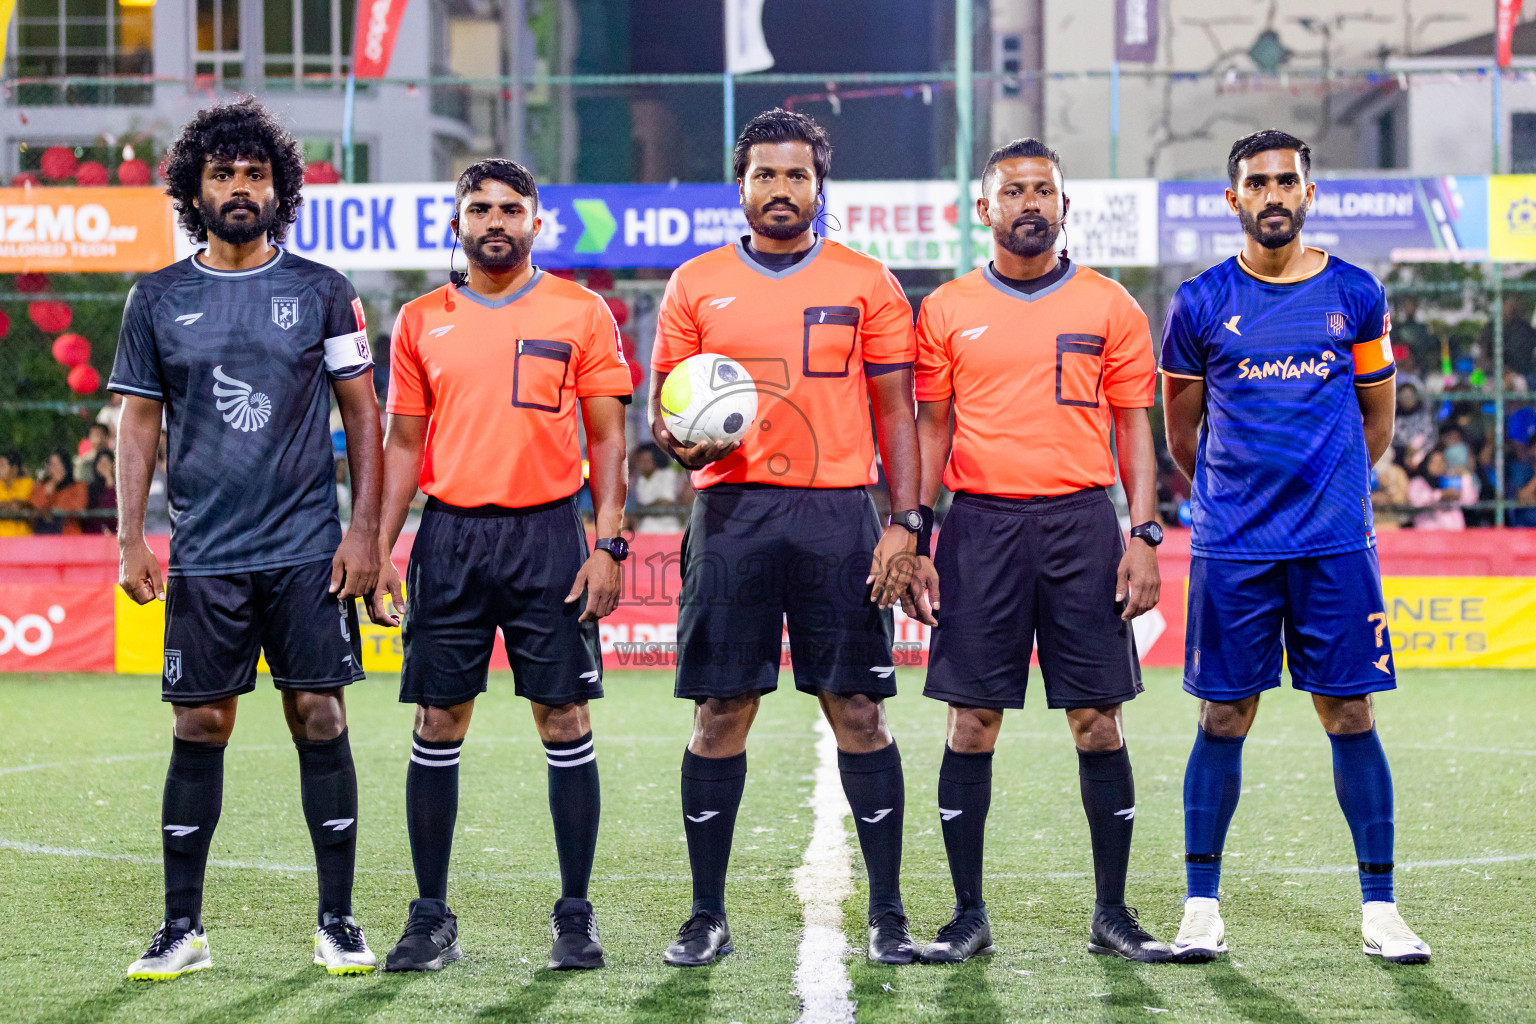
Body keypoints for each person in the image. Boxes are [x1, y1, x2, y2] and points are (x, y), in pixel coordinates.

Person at [110, 97, 384, 981]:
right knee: (200, 722)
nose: (240, 187)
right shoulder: (156, 297)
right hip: (206, 555)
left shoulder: (322, 289)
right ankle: (180, 928)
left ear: (280, 187)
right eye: (223, 174)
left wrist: (366, 536)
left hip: (309, 551)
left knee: (320, 714)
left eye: (255, 174)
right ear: (196, 188)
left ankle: (337, 922)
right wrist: (130, 540)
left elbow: (364, 418)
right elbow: (138, 424)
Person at [648, 108, 923, 967]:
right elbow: (668, 412)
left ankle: (887, 912)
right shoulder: (695, 284)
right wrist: (680, 440)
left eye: (796, 175)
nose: (780, 189)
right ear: (741, 186)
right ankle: (705, 914)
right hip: (731, 514)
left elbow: (897, 417)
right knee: (721, 709)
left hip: (840, 515)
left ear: (818, 186)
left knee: (861, 711)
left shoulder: (867, 281)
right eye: (765, 175)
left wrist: (907, 523)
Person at [1160, 129, 1430, 965]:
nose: (1273, 194)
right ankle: (1201, 903)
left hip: (1333, 544)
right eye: (1256, 183)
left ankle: (1380, 908)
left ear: (1309, 194)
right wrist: (1235, 498)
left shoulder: (1358, 292)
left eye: (1287, 181)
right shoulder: (1201, 301)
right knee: (1224, 715)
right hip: (1234, 545)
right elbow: (1182, 434)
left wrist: (1334, 487)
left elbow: (1376, 419)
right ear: (1233, 198)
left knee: (1350, 711)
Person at [906, 138, 1171, 965]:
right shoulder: (946, 308)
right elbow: (931, 426)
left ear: (1064, 206)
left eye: (1043, 191)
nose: (1029, 203)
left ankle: (1112, 914)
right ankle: (967, 915)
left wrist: (1145, 532)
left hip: (1082, 527)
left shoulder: (1111, 306)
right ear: (983, 210)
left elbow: (1135, 424)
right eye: (1012, 191)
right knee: (973, 721)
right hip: (980, 526)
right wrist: (915, 530)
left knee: (1098, 720)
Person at [373, 159, 632, 973]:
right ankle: (428, 917)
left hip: (548, 536)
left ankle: (576, 916)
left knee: (563, 720)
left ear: (536, 223)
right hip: (449, 539)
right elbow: (404, 444)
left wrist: (610, 541)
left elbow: (608, 439)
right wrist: (380, 549)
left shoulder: (581, 312)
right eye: (479, 207)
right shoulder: (420, 320)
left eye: (511, 209)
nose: (495, 220)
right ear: (456, 222)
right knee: (438, 721)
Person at [1407, 447, 1476, 530]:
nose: (1438, 466)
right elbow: (1416, 501)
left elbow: (1469, 500)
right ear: (1427, 464)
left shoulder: (1451, 480)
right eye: (1434, 462)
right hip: (1427, 532)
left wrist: (1465, 478)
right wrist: (1440, 494)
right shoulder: (1418, 482)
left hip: (1453, 531)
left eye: (1441, 462)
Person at [630, 442, 688, 532]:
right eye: (641, 461)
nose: (643, 465)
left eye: (647, 461)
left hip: (667, 526)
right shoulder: (639, 480)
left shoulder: (667, 475)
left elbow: (666, 502)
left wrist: (643, 508)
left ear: (656, 460)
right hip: (645, 526)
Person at [30, 450, 88, 535]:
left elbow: (78, 507)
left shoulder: (78, 486)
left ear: (66, 466)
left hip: (70, 537)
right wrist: (50, 488)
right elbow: (34, 506)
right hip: (45, 537)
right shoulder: (42, 486)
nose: (56, 468)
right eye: (52, 465)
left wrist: (53, 510)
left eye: (59, 464)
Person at [0, 451, 34, 537]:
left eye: (2, 465)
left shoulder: (27, 483)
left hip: (22, 538)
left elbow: (19, 504)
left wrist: (6, 505)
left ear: (14, 469)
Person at [86, 450, 118, 535]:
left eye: (107, 462)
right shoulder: (91, 488)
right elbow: (91, 515)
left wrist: (109, 481)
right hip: (97, 533)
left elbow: (114, 507)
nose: (104, 466)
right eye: (101, 462)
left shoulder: (122, 486)